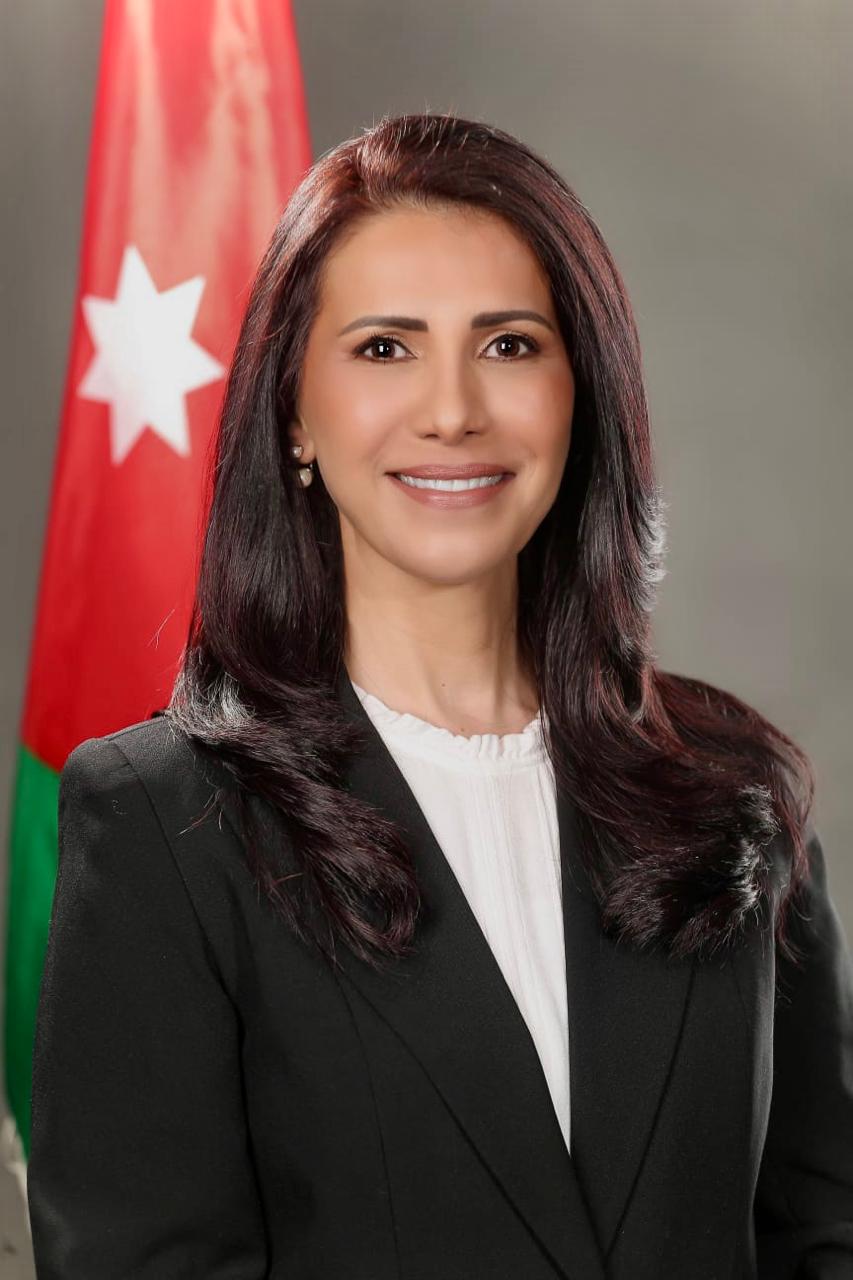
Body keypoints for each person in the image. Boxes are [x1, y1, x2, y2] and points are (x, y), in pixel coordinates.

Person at [27, 112, 853, 1279]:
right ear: (294, 412)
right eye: (384, 348)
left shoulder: (733, 793)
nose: (453, 408)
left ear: (580, 391)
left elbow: (823, 1236)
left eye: (508, 344)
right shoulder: (164, 823)